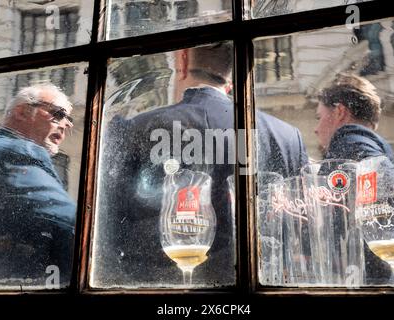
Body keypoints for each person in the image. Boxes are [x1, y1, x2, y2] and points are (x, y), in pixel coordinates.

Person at [95, 42, 308, 287]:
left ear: (182, 60)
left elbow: (103, 237)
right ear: (235, 71)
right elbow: (300, 234)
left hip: (155, 291)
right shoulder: (286, 136)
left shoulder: (134, 129)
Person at [314, 74, 394, 285]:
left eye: (319, 116)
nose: (316, 128)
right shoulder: (379, 150)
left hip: (366, 281)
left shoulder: (349, 148)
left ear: (339, 111)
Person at [0, 83, 76, 287]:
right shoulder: (17, 150)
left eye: (69, 120)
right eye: (58, 114)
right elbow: (69, 221)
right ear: (22, 112)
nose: (65, 125)